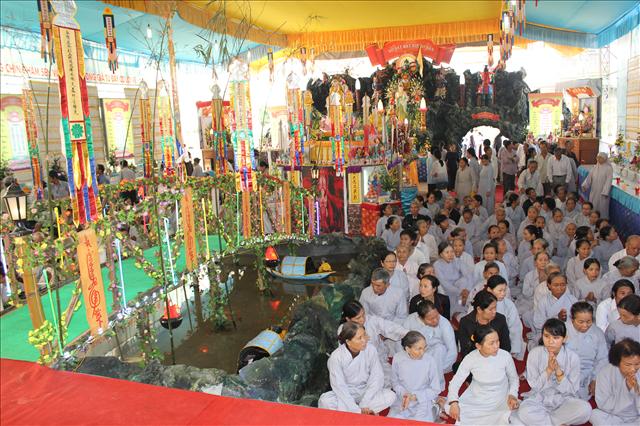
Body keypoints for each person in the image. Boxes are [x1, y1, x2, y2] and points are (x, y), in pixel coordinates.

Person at [516, 318, 592, 425]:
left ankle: (545, 422)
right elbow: (535, 386)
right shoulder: (534, 354)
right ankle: (558, 422)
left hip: (563, 400)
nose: (550, 341)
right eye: (546, 336)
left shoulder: (573, 357)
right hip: (540, 398)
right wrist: (548, 370)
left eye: (556, 338)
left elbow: (572, 390)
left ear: (564, 339)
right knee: (524, 411)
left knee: (585, 409)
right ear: (542, 336)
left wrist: (559, 373)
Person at [445, 325, 519, 425]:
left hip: (500, 398)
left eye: (497, 341)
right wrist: (453, 402)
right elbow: (455, 382)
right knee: (456, 409)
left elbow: (514, 378)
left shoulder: (505, 356)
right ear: (478, 346)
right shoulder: (471, 358)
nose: (496, 346)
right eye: (491, 343)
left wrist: (512, 395)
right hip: (478, 398)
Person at [318, 322, 396, 414]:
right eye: (360, 338)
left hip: (364, 390)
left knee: (390, 396)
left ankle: (353, 413)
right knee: (325, 401)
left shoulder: (371, 349)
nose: (364, 340)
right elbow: (339, 386)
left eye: (364, 335)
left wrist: (364, 403)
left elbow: (376, 377)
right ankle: (362, 413)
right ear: (348, 342)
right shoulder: (336, 357)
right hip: (346, 392)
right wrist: (356, 410)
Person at [340, 301, 407, 384]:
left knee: (394, 379)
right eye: (358, 318)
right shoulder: (343, 331)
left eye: (363, 314)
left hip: (379, 360)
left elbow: (389, 327)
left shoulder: (371, 320)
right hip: (359, 368)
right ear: (348, 319)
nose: (362, 319)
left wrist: (407, 333)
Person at [389, 331, 443, 422]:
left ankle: (434, 409)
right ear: (407, 349)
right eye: (419, 349)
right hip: (402, 400)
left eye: (424, 347)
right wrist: (405, 394)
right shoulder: (398, 358)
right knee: (393, 422)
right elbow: (395, 383)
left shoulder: (430, 360)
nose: (423, 352)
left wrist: (415, 396)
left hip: (422, 400)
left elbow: (435, 389)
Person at [590, 338, 640, 425]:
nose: (633, 369)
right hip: (614, 416)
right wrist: (626, 394)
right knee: (594, 415)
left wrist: (636, 391)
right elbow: (603, 403)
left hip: (637, 417)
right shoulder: (605, 373)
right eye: (628, 364)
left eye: (637, 364)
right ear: (617, 362)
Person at [565, 302, 608, 400]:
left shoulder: (597, 333)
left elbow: (603, 358)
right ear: (572, 319)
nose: (585, 325)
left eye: (589, 321)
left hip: (588, 374)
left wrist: (595, 379)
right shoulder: (562, 330)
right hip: (564, 372)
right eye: (580, 322)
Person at [402, 301, 457, 378]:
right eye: (431, 319)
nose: (436, 320)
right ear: (421, 318)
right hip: (417, 356)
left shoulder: (444, 323)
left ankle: (434, 378)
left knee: (440, 348)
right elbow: (403, 345)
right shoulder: (410, 321)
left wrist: (438, 369)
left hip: (440, 359)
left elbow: (452, 351)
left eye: (437, 316)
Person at [458, 290, 511, 358]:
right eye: (491, 309)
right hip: (475, 359)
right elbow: (465, 350)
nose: (494, 312)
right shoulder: (466, 322)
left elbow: (506, 346)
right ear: (479, 309)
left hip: (497, 357)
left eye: (495, 307)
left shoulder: (500, 319)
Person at [531, 272, 578, 348]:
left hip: (569, 332)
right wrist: (557, 318)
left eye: (563, 285)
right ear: (549, 285)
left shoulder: (572, 299)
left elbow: (578, 320)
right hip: (550, 333)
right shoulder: (543, 301)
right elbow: (538, 323)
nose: (559, 288)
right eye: (556, 285)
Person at [486, 275, 524, 360]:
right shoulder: (480, 302)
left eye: (504, 290)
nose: (503, 293)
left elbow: (515, 327)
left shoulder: (509, 304)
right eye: (500, 290)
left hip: (503, 340)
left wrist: (513, 348)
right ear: (489, 290)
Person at [433, 242, 469, 316]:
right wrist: (460, 291)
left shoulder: (457, 261)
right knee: (453, 297)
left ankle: (461, 309)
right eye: (447, 252)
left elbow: (467, 275)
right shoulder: (437, 265)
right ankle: (453, 313)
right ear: (441, 254)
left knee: (464, 281)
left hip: (459, 288)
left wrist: (465, 290)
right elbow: (443, 283)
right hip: (445, 290)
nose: (450, 254)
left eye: (452, 251)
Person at [581, 152, 614, 219]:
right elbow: (589, 177)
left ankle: (601, 219)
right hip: (594, 190)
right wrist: (585, 185)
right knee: (593, 204)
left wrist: (605, 192)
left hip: (602, 192)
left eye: (600, 158)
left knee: (602, 206)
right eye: (597, 157)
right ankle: (592, 218)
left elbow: (608, 181)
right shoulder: (595, 167)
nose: (598, 159)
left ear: (604, 159)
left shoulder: (608, 168)